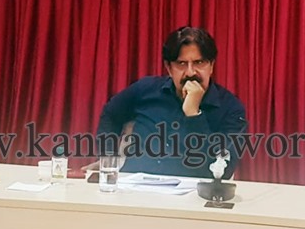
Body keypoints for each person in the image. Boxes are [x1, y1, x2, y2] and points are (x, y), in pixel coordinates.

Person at [96, 26, 247, 178]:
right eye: (181, 64)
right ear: (169, 68)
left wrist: (193, 114)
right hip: (133, 187)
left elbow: (223, 172)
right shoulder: (146, 89)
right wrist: (108, 162)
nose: (190, 72)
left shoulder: (231, 109)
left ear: (211, 66)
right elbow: (110, 114)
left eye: (199, 62)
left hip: (192, 192)